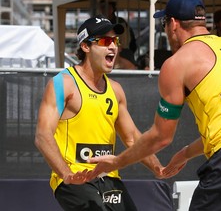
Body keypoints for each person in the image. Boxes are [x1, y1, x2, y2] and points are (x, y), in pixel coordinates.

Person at [84, 0, 221, 210]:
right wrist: (184, 154)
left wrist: (117, 161)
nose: (166, 31)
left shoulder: (178, 62)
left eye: (164, 24)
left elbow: (161, 137)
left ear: (173, 23)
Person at [34, 15, 162, 210]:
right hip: (75, 177)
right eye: (105, 41)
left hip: (108, 177)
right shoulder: (64, 84)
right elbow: (43, 135)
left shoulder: (116, 90)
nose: (113, 47)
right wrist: (66, 174)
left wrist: (157, 168)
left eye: (115, 41)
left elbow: (132, 138)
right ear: (85, 46)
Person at [99, 0, 138, 69]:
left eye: (108, 7)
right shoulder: (100, 23)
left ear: (113, 9)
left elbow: (125, 43)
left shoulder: (120, 22)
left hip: (123, 52)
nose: (105, 10)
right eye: (102, 7)